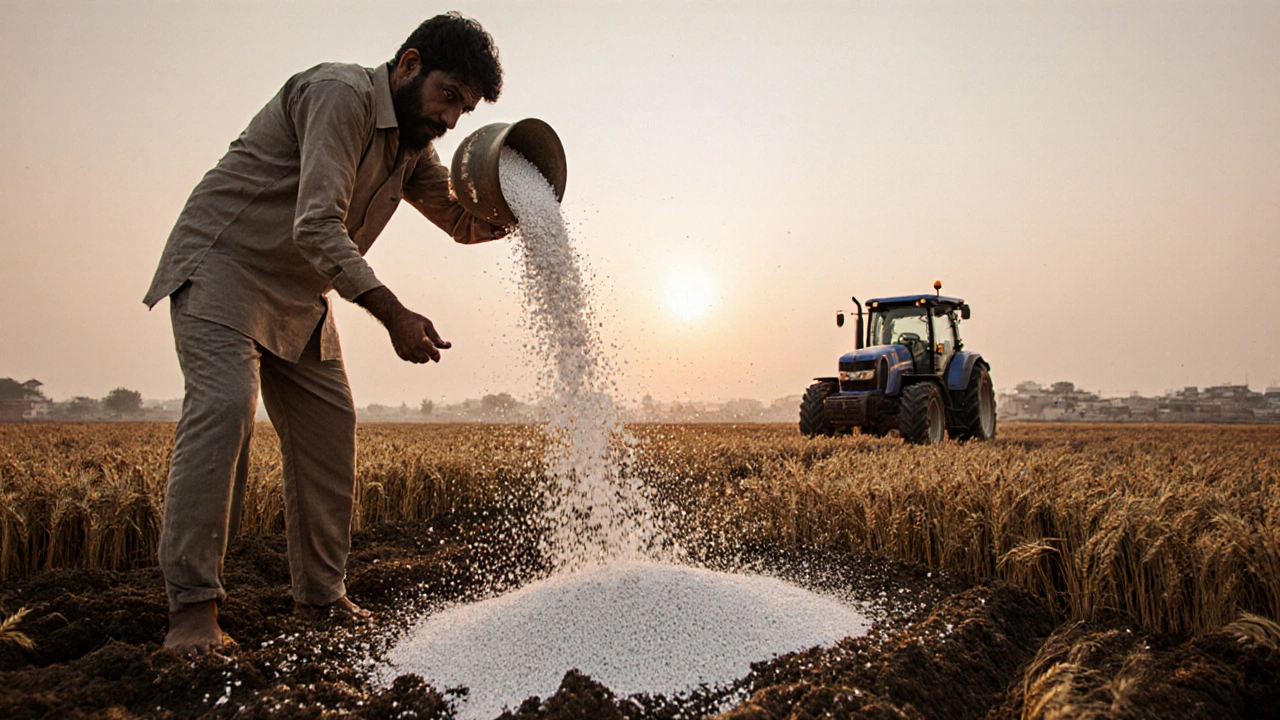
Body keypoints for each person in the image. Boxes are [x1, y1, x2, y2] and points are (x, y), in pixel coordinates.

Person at [142, 13, 506, 656]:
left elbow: (457, 218)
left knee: (330, 431)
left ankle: (322, 598)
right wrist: (394, 313)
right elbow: (316, 226)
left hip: (300, 293)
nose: (452, 120)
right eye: (449, 96)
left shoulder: (412, 146)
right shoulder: (340, 96)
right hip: (228, 264)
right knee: (226, 410)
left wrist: (520, 206)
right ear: (409, 65)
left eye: (465, 111)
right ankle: (192, 613)